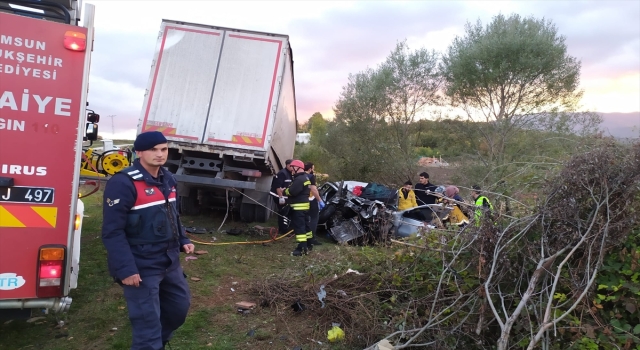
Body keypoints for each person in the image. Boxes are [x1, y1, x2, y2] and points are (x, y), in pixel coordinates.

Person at [102, 131, 194, 350]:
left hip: (169, 260)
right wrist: (125, 269)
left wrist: (182, 238)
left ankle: (157, 342)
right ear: (139, 152)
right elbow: (112, 232)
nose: (160, 154)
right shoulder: (123, 183)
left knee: (178, 309)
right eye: (153, 150)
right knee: (147, 325)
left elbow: (173, 214)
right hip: (141, 264)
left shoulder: (168, 179)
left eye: (163, 149)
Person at [284, 160, 313, 256]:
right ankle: (309, 245)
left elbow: (292, 191)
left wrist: (285, 191)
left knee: (300, 229)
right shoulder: (305, 178)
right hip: (304, 207)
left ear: (298, 168)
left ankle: (301, 249)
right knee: (306, 227)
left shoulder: (300, 179)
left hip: (298, 208)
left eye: (293, 167)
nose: (291, 169)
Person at [270, 159, 293, 234]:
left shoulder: (289, 173)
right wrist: (281, 197)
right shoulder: (282, 173)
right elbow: (277, 186)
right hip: (279, 196)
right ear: (288, 165)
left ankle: (284, 229)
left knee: (286, 213)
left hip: (285, 197)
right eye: (292, 166)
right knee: (283, 213)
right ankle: (283, 230)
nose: (294, 168)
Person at [305, 162, 325, 245]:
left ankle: (304, 237)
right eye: (313, 168)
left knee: (305, 220)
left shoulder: (299, 175)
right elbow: (313, 190)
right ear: (310, 169)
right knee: (314, 219)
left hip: (302, 200)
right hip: (311, 200)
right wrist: (320, 200)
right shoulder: (311, 176)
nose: (313, 170)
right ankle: (312, 239)